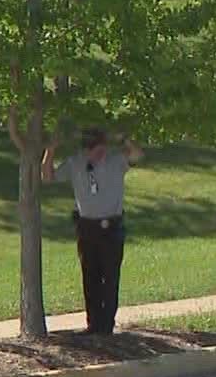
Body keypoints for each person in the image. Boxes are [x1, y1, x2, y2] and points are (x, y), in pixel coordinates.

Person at [42, 127, 143, 335]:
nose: (99, 153)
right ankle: (93, 324)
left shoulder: (116, 161)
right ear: (85, 149)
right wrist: (50, 152)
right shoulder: (75, 163)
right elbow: (48, 177)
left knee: (110, 277)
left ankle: (107, 325)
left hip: (111, 227)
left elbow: (137, 155)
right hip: (87, 227)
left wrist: (126, 139)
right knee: (90, 277)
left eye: (102, 148)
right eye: (94, 149)